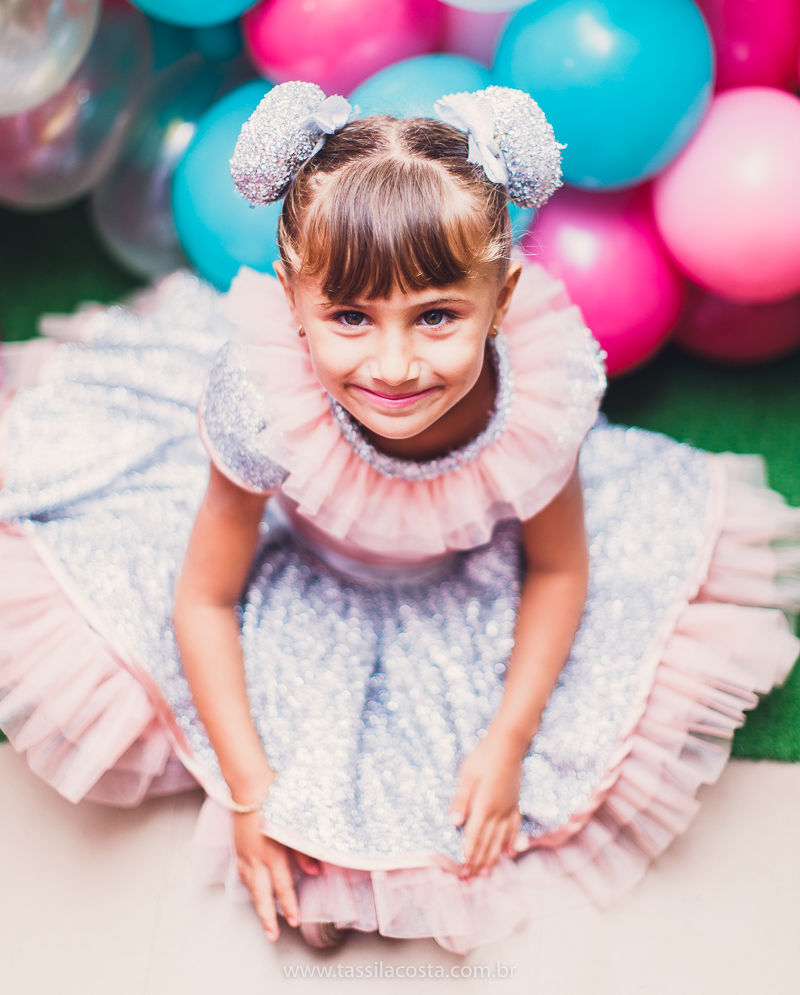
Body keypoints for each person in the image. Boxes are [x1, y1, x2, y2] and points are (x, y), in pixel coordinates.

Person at [0, 82, 798, 956]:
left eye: (438, 317)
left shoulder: (538, 395)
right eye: (348, 316)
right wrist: (248, 788)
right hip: (303, 574)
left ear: (502, 298)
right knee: (303, 845)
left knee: (439, 823)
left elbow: (562, 569)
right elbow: (203, 599)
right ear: (293, 299)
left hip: (458, 581)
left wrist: (508, 742)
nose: (394, 364)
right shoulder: (266, 405)